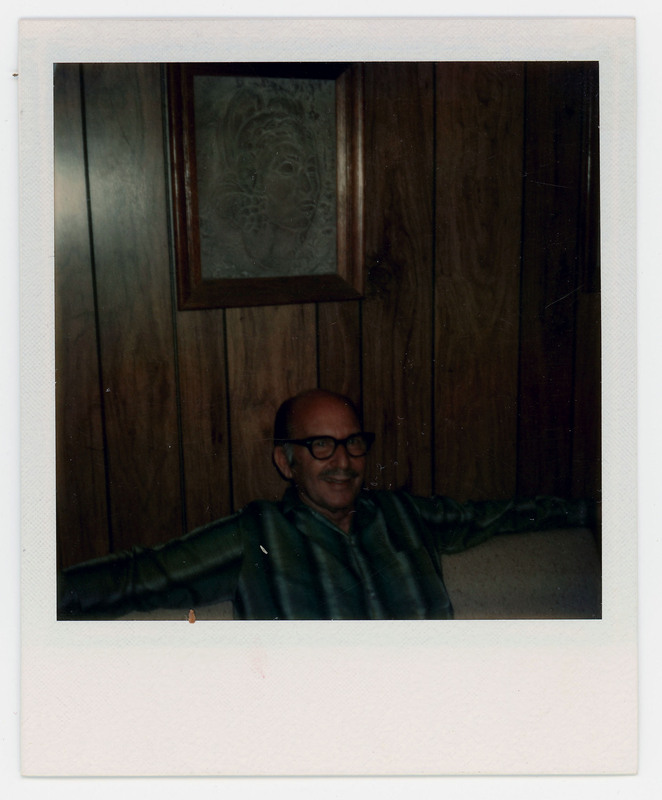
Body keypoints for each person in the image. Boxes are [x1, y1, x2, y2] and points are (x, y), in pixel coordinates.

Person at [58, 388, 596, 620]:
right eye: (320, 446)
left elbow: (498, 515)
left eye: (353, 442)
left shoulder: (405, 516)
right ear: (285, 462)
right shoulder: (255, 536)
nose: (343, 461)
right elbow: (139, 576)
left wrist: (598, 512)